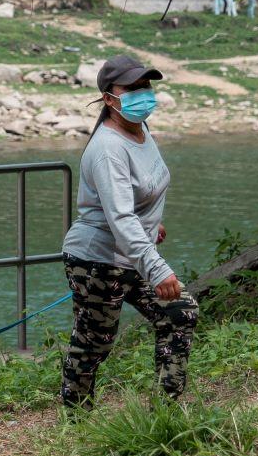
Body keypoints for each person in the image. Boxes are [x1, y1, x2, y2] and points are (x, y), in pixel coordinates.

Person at [59, 54, 198, 410]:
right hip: (97, 261)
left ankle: (167, 409)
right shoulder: (108, 149)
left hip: (130, 251)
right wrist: (158, 268)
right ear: (109, 98)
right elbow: (119, 218)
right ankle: (76, 419)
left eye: (146, 86)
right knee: (95, 342)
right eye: (132, 89)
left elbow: (139, 192)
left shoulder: (140, 129)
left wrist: (151, 223)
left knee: (179, 312)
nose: (143, 95)